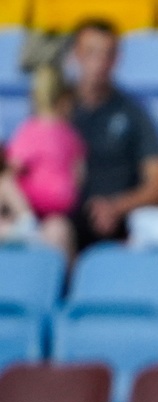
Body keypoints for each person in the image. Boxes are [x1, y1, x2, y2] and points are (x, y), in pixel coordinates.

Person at [63, 19, 158, 247]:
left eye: (107, 54)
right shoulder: (58, 112)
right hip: (62, 215)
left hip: (118, 222)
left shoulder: (134, 114)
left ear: (117, 59)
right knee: (53, 230)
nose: (99, 63)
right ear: (74, 56)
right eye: (90, 53)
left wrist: (116, 207)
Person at [3, 60, 83, 256]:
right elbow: (78, 174)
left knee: (3, 181)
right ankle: (25, 224)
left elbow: (14, 167)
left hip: (45, 212)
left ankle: (26, 222)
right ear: (66, 101)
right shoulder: (66, 135)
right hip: (47, 210)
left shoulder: (37, 131)